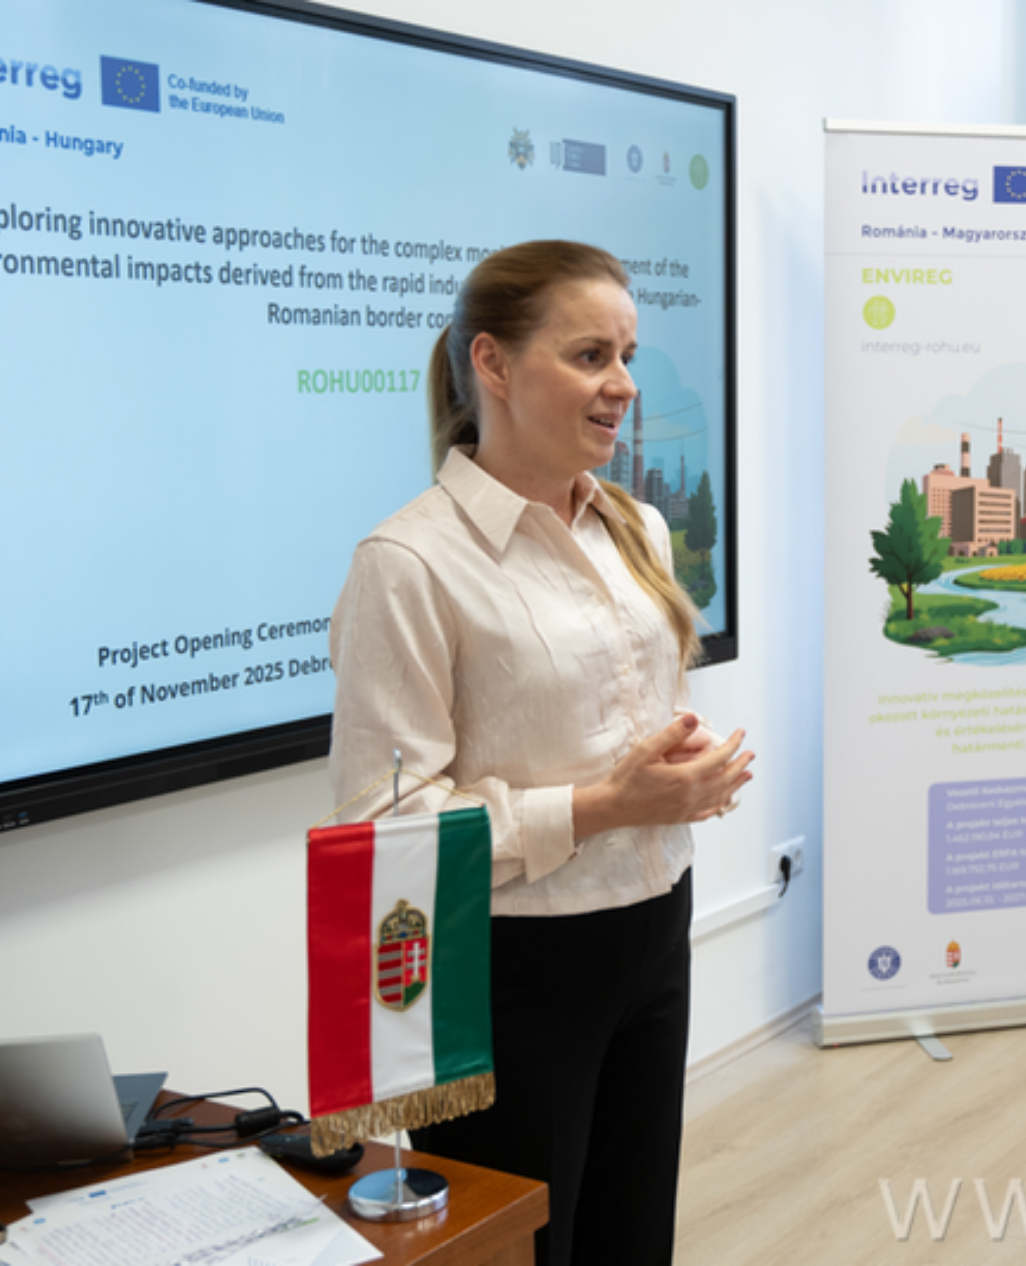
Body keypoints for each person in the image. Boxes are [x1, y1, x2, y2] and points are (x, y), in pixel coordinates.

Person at [328, 240, 751, 1266]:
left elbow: (628, 721)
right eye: (591, 355)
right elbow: (383, 835)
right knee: (527, 1251)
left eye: (627, 355)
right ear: (494, 364)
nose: (625, 384)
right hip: (512, 967)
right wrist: (602, 804)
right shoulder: (408, 563)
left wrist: (680, 776)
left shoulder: (635, 524)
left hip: (655, 923)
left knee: (630, 1238)